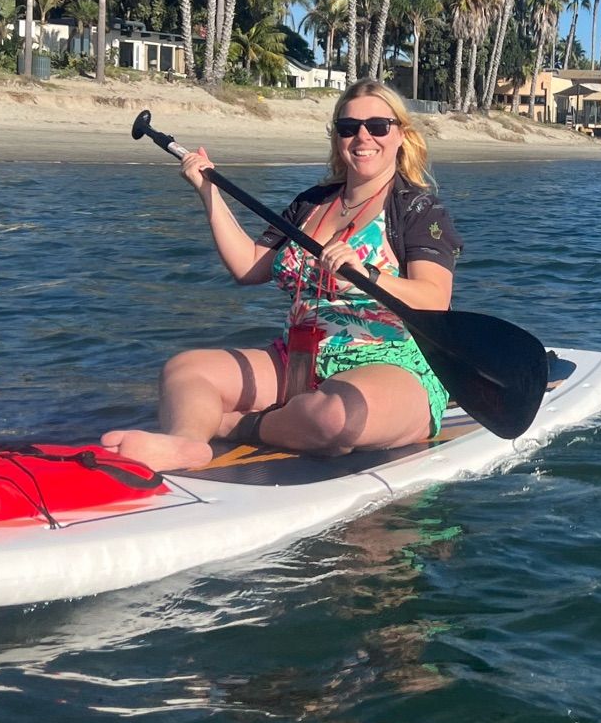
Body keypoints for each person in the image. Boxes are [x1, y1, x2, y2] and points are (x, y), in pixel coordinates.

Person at [102, 80, 463, 472]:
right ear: (337, 137)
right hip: (298, 360)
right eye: (348, 127)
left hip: (390, 367)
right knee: (186, 371)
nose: (363, 136)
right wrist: (209, 193)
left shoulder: (419, 210)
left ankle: (235, 425)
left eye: (378, 126)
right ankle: (187, 443)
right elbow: (248, 267)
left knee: (335, 418)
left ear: (401, 136)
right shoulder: (311, 203)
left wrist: (368, 274)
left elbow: (433, 299)